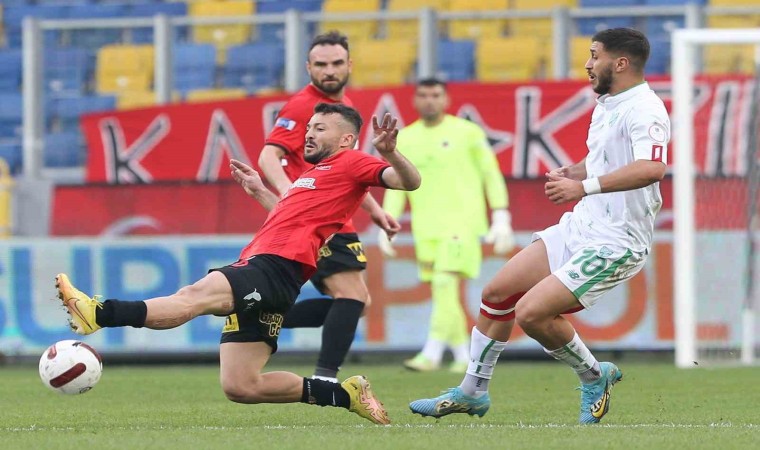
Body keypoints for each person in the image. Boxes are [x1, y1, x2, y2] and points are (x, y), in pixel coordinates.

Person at [56, 106, 421, 426]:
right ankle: (345, 395)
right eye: (309, 127)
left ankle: (99, 313)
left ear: (346, 139)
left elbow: (410, 181)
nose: (308, 134)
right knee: (242, 386)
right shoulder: (313, 176)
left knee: (193, 296)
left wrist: (390, 153)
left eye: (320, 128)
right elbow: (292, 218)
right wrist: (260, 191)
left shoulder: (352, 162)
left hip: (274, 268)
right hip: (275, 274)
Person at [409, 28, 669, 424]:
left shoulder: (645, 108)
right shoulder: (607, 104)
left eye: (594, 55)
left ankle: (593, 376)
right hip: (583, 226)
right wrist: (576, 171)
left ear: (620, 63)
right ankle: (472, 392)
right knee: (497, 293)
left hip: (617, 241)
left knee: (532, 314)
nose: (587, 64)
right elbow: (607, 158)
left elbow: (651, 167)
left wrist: (583, 186)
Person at [258, 31, 399, 383]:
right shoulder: (303, 106)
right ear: (308, 68)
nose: (329, 71)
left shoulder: (341, 108)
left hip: (336, 217)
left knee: (356, 302)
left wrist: (375, 211)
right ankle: (325, 377)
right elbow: (268, 156)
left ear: (349, 65)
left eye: (336, 63)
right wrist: (289, 193)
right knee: (352, 296)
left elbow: (345, 170)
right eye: (321, 65)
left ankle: (258, 315)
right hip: (315, 218)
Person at [378, 78, 514, 373]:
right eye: (424, 95)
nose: (430, 100)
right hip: (426, 228)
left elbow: (490, 173)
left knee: (443, 283)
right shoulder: (406, 138)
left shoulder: (467, 133)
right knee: (444, 292)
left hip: (462, 223)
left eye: (436, 95)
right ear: (415, 100)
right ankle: (464, 354)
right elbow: (396, 183)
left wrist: (501, 213)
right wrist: (387, 220)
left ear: (446, 99)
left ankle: (432, 352)